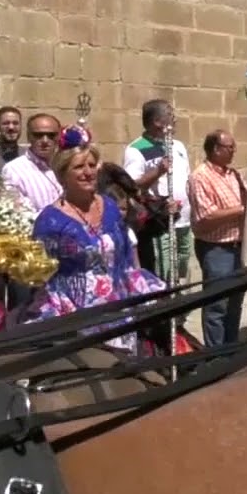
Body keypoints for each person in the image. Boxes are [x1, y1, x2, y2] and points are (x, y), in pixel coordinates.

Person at [21, 125, 164, 354]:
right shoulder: (49, 222)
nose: (88, 172)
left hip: (118, 312)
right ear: (62, 174)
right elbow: (43, 278)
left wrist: (138, 293)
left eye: (91, 165)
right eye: (79, 167)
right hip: (77, 318)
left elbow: (125, 257)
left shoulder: (109, 206)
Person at [122, 99, 191, 289]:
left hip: (183, 220)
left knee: (183, 273)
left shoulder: (178, 146)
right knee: (164, 273)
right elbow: (131, 185)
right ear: (157, 122)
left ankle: (181, 313)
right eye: (171, 115)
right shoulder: (137, 149)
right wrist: (158, 172)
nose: (175, 120)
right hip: (160, 223)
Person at [187, 129, 247, 346]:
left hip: (239, 245)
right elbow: (207, 216)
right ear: (215, 149)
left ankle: (230, 349)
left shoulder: (233, 175)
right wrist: (241, 210)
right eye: (228, 147)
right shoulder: (200, 176)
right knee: (217, 305)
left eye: (233, 147)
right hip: (216, 249)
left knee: (235, 302)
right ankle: (215, 355)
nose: (233, 151)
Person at [1, 113, 63, 212]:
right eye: (38, 135)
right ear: (29, 136)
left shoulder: (64, 166)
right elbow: (18, 215)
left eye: (51, 135)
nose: (45, 140)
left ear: (59, 136)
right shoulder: (14, 170)